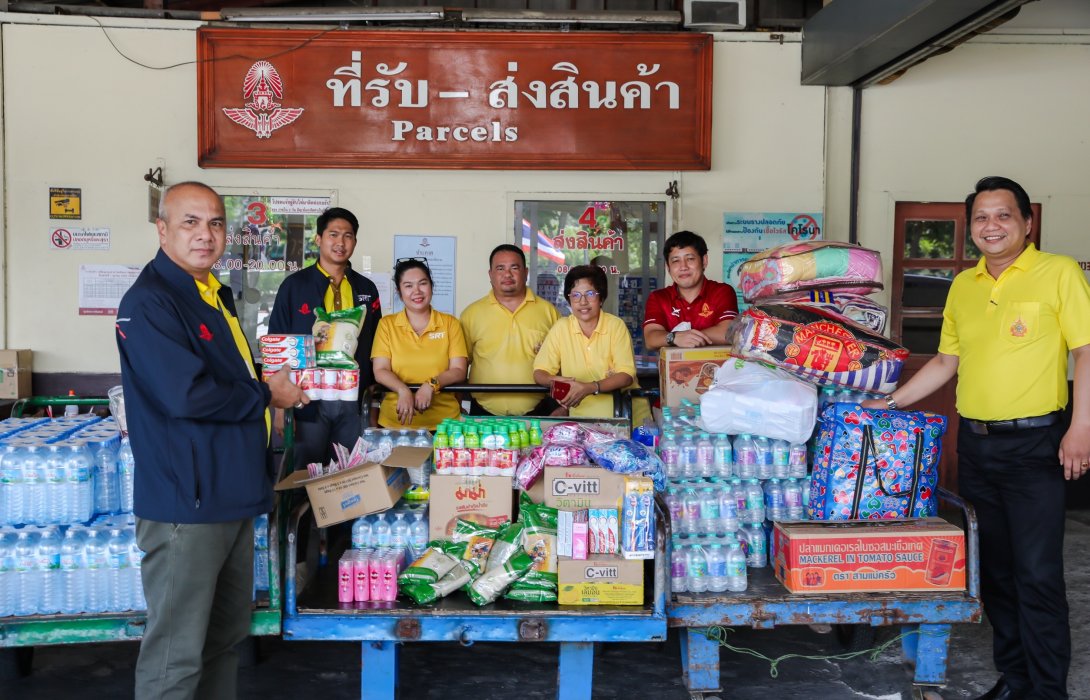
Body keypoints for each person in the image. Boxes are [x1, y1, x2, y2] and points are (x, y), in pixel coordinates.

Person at [861, 176, 1090, 700]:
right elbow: (946, 362)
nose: (992, 226)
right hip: (978, 447)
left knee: (1038, 576)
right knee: (998, 576)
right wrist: (888, 403)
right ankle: (1014, 681)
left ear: (1027, 223)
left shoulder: (1058, 273)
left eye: (1003, 215)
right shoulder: (963, 285)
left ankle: (1048, 691)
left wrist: (1082, 426)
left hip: (1038, 445)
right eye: (982, 218)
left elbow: (1086, 352)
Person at [116, 181, 309, 699]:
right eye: (190, 222)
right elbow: (187, 395)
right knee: (175, 655)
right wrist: (267, 394)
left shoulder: (211, 293)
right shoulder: (151, 302)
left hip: (231, 496)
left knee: (224, 638)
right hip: (187, 504)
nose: (206, 235)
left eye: (216, 223)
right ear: (162, 229)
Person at [268, 207, 381, 470]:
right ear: (318, 239)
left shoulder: (366, 289)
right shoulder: (294, 286)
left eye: (348, 236)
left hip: (352, 402)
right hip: (306, 401)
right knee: (300, 477)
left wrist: (374, 406)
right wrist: (281, 408)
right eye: (333, 234)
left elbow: (377, 347)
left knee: (350, 478)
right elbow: (277, 345)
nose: (340, 243)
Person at [460, 244, 560, 416]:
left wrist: (562, 407)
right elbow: (459, 366)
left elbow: (562, 366)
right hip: (483, 413)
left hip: (540, 411)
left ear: (526, 272)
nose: (507, 274)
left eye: (514, 267)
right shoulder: (471, 314)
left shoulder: (548, 312)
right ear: (490, 274)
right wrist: (458, 404)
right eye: (500, 268)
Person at [371, 258, 468, 429]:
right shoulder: (387, 324)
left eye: (422, 283)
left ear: (431, 286)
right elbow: (380, 370)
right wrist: (403, 390)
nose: (417, 291)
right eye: (408, 286)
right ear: (399, 292)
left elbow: (459, 371)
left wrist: (431, 385)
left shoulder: (450, 323)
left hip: (445, 425)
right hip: (396, 423)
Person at [533, 264, 637, 418]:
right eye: (575, 295)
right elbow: (540, 373)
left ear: (601, 297)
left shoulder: (615, 326)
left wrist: (590, 387)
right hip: (580, 420)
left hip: (623, 418)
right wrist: (560, 381)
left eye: (590, 293)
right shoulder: (562, 328)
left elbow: (627, 375)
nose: (583, 302)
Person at [643, 230, 739, 351]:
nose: (683, 267)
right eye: (676, 261)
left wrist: (687, 337)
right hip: (674, 369)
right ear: (668, 267)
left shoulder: (722, 291)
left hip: (716, 368)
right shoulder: (658, 298)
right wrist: (675, 337)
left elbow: (728, 332)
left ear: (704, 261)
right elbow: (651, 339)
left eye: (690, 259)